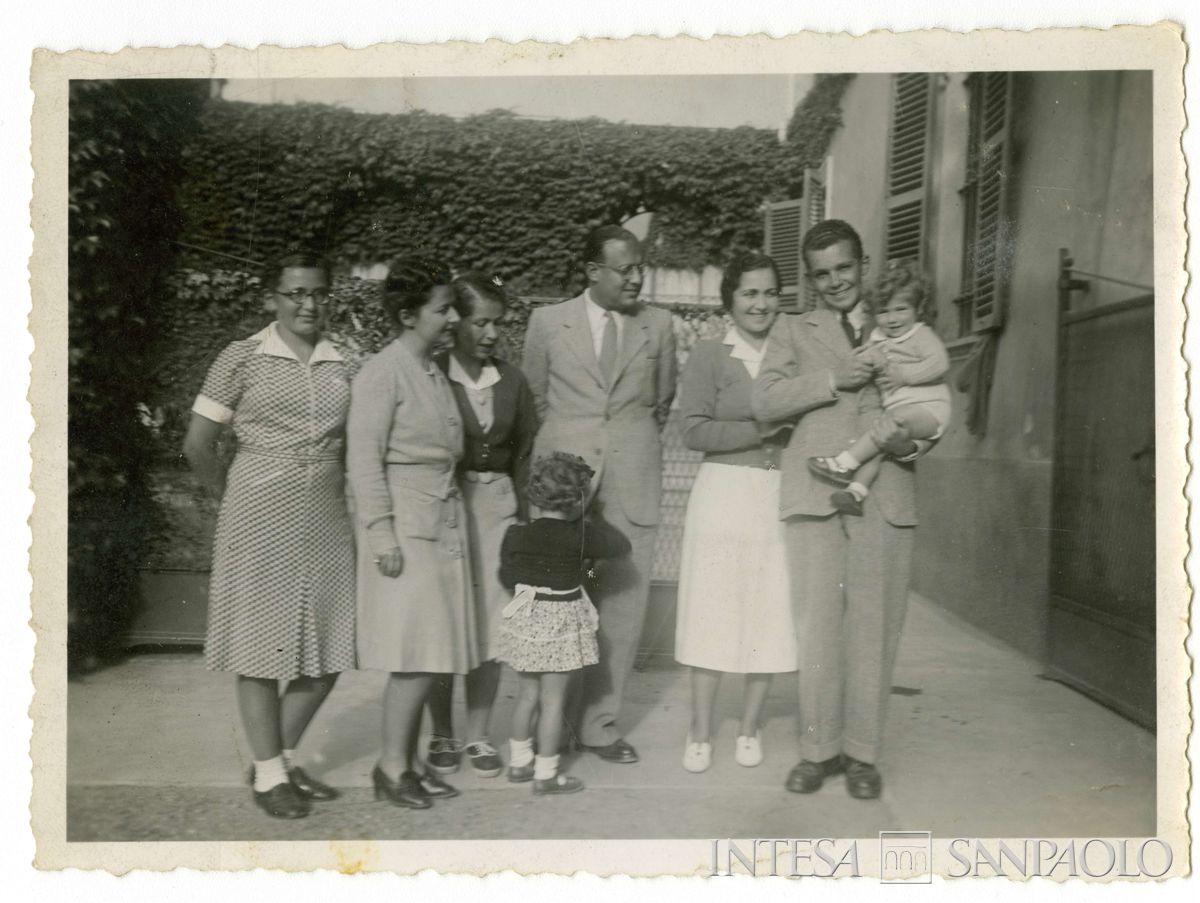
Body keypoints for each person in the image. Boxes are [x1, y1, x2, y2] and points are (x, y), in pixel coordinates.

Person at [752, 219, 925, 801]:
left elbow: (932, 400)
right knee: (818, 627)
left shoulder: (901, 320)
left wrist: (917, 442)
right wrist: (831, 378)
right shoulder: (791, 330)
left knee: (875, 625)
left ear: (864, 263)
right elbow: (765, 402)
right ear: (809, 279)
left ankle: (862, 754)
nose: (834, 282)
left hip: (887, 493)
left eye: (844, 268)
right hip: (815, 491)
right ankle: (817, 750)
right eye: (821, 274)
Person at [183, 251, 355, 819]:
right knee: (260, 646)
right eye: (295, 293)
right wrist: (227, 500)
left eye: (318, 292)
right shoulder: (242, 358)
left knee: (331, 645)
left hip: (327, 515)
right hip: (258, 510)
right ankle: (271, 773)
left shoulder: (346, 361)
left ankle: (271, 760)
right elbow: (198, 444)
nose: (308, 304)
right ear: (272, 299)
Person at [521, 224, 677, 763]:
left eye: (641, 268)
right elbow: (536, 399)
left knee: (623, 601)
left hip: (633, 476)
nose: (637, 278)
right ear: (593, 272)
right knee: (558, 599)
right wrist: (568, 451)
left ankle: (599, 724)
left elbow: (660, 402)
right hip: (566, 485)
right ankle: (552, 726)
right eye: (625, 269)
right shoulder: (547, 322)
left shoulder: (660, 326)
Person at [346, 255, 475, 810]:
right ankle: (391, 767)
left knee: (428, 655)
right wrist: (381, 536)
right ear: (407, 314)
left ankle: (409, 761)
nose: (453, 320)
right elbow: (363, 461)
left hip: (439, 525)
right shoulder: (383, 371)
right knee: (414, 658)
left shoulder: (430, 370)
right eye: (442, 309)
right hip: (405, 529)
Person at [673, 251, 798, 774]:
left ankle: (749, 727)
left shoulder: (793, 353)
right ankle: (701, 732)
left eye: (770, 293)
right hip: (723, 493)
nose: (761, 303)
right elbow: (693, 430)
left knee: (768, 611)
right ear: (731, 299)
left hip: (778, 495)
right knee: (713, 608)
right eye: (750, 292)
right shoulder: (709, 354)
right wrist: (761, 431)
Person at [424, 272, 538, 779]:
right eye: (480, 323)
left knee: (491, 626)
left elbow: (528, 452)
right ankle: (441, 735)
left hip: (498, 510)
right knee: (446, 624)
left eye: (498, 323)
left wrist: (527, 522)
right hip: (447, 507)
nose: (491, 334)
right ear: (456, 322)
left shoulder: (512, 380)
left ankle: (476, 737)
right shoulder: (432, 374)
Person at [496, 452, 632, 794]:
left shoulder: (515, 534)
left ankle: (518, 763)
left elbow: (506, 575)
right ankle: (546, 774)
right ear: (576, 500)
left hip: (527, 618)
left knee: (527, 695)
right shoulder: (581, 535)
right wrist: (588, 518)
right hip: (561, 623)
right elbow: (620, 545)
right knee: (553, 701)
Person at [807, 262, 951, 516]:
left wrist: (904, 375)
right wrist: (867, 359)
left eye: (901, 309)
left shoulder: (920, 334)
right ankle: (856, 492)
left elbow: (940, 363)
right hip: (898, 410)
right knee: (879, 441)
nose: (892, 318)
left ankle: (843, 463)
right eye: (884, 312)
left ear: (918, 309)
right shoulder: (878, 337)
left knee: (889, 423)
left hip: (929, 408)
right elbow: (872, 360)